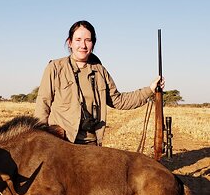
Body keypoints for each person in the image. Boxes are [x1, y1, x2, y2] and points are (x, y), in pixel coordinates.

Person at [34, 20, 165, 146]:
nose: (83, 45)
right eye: (78, 40)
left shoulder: (100, 71)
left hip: (91, 142)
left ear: (93, 43)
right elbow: (43, 104)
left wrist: (150, 89)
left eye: (88, 40)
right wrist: (40, 140)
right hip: (61, 141)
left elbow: (118, 100)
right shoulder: (55, 67)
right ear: (70, 42)